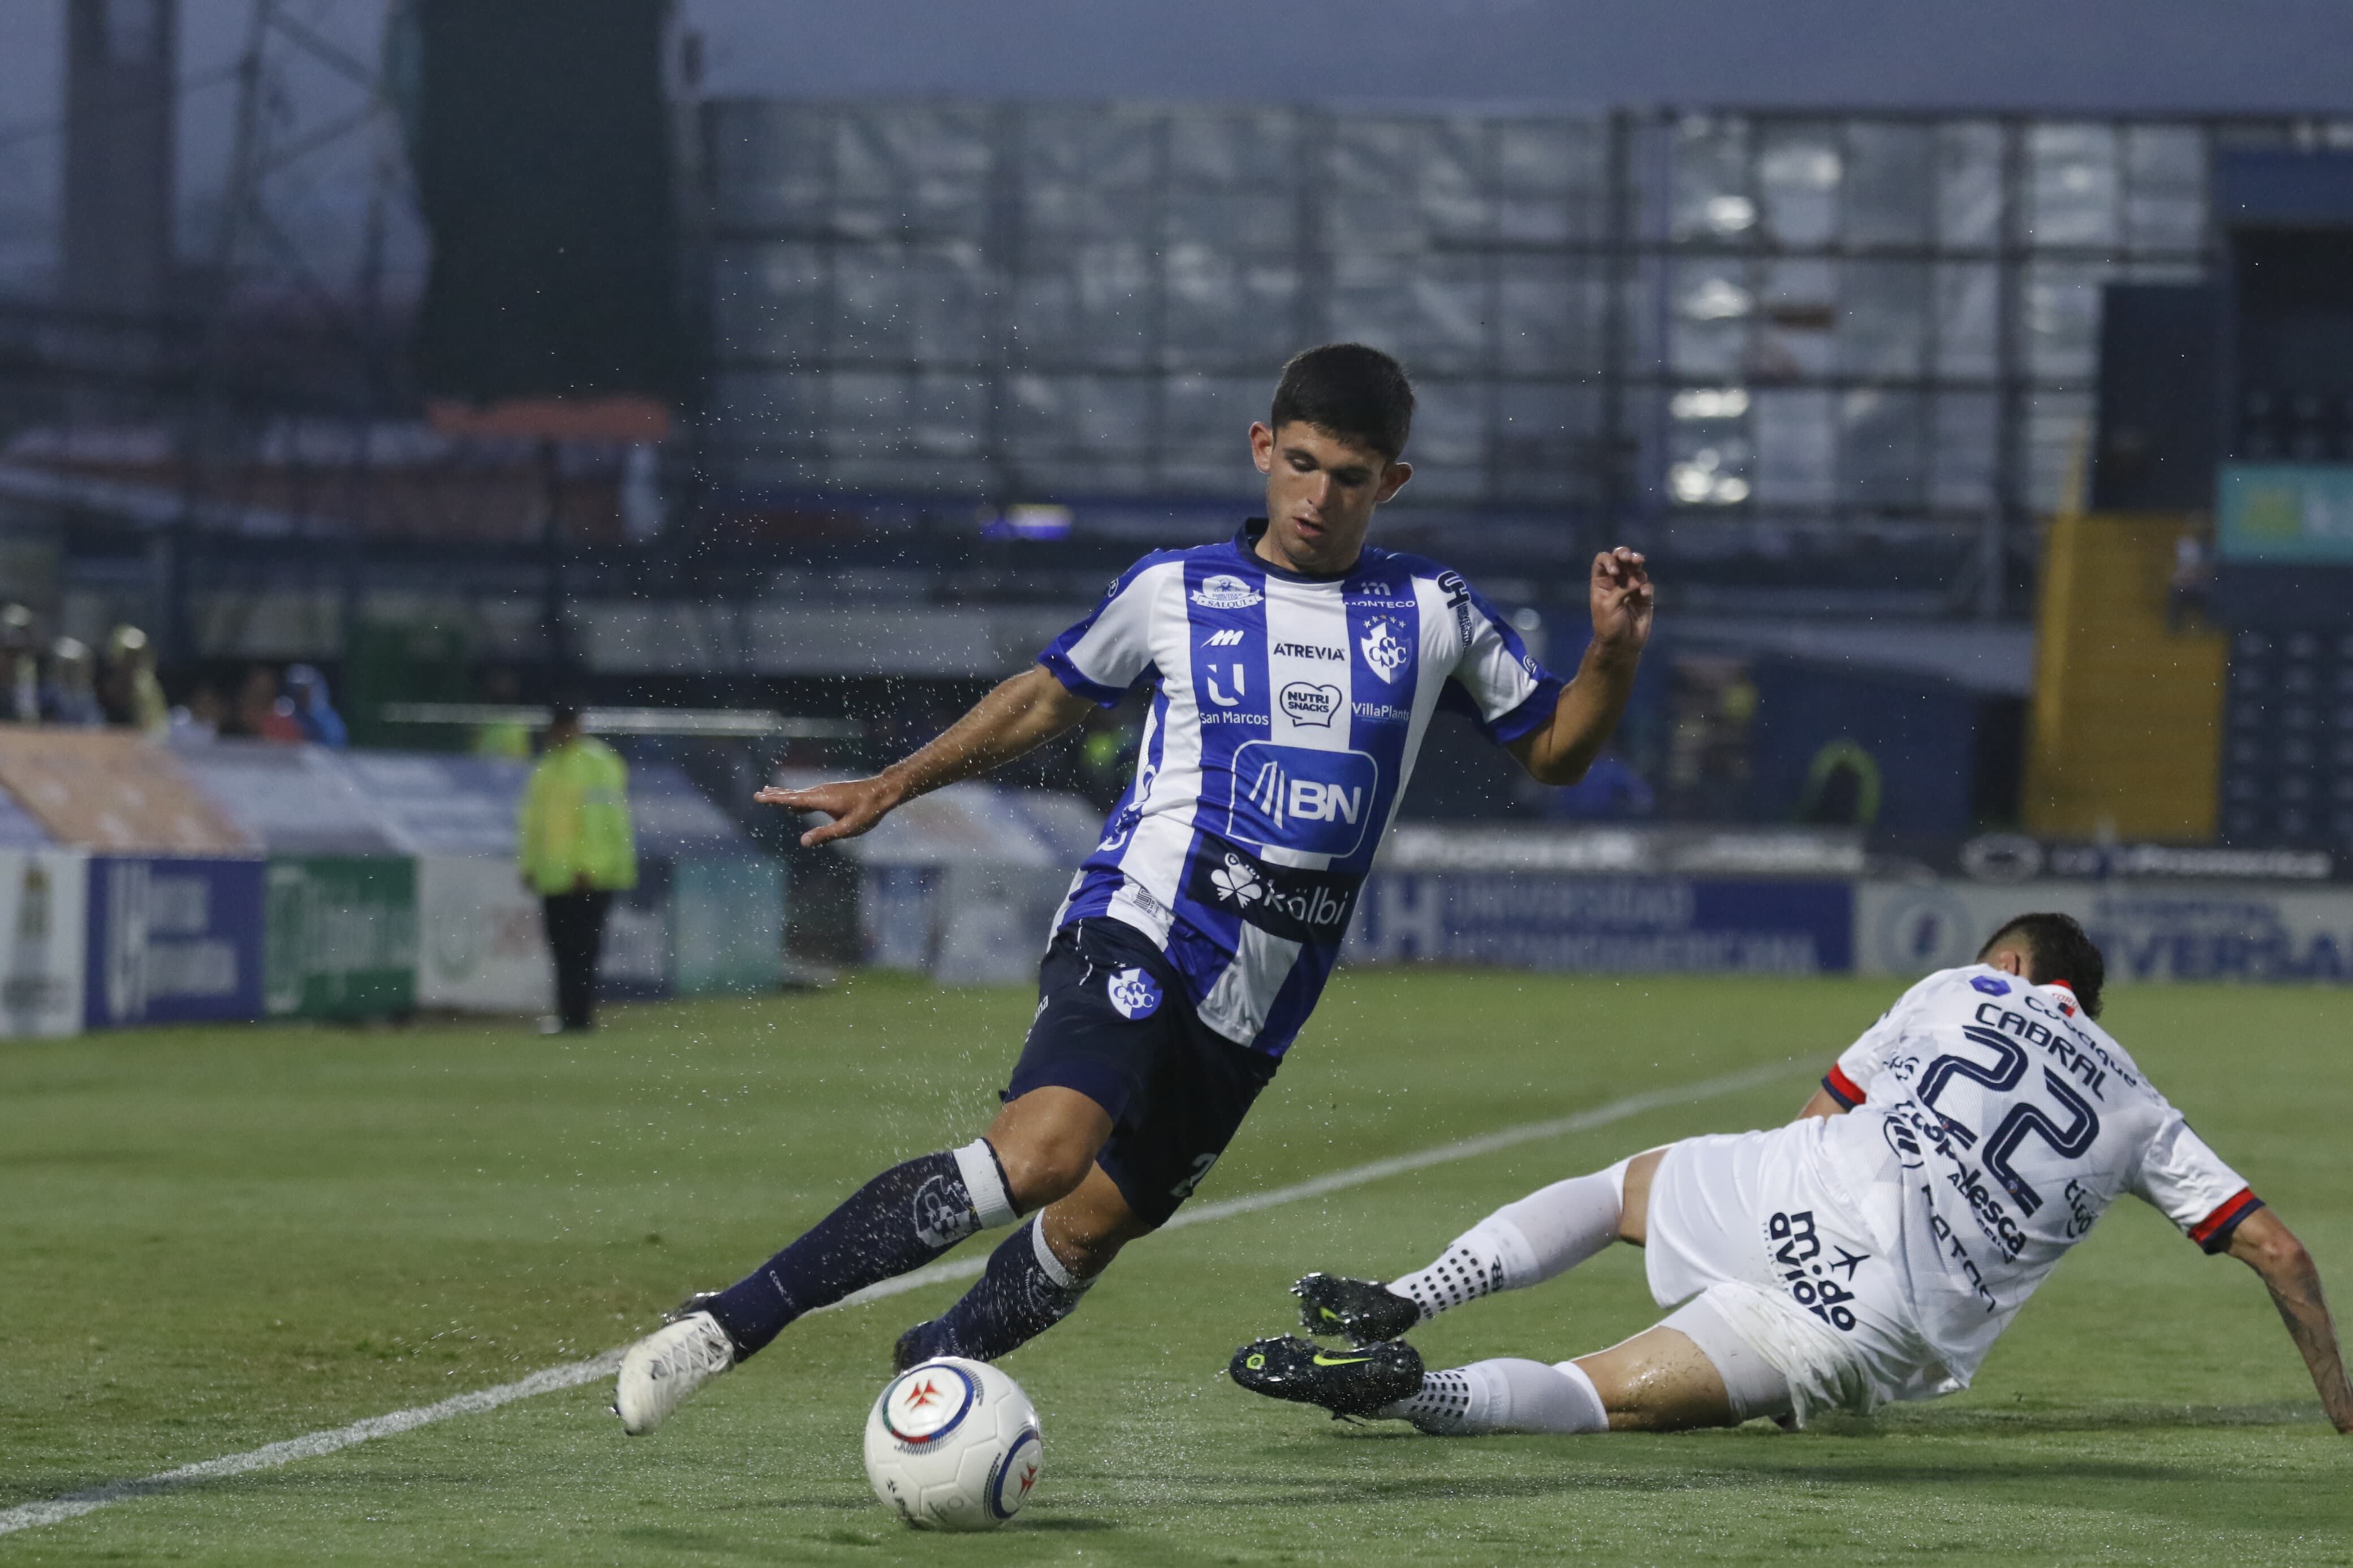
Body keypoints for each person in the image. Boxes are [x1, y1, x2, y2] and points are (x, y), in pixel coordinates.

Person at [612, 343, 1657, 1436]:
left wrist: (1614, 656)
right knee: (1043, 1155)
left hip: (1264, 996)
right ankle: (727, 1322)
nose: (1318, 496)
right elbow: (1046, 698)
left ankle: (934, 1365)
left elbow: (1556, 751)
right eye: (1300, 463)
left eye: (1349, 478)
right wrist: (898, 781)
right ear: (1264, 448)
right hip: (1146, 918)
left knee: (1089, 1229)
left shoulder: (1432, 610)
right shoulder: (1178, 589)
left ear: (1389, 484)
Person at [1229, 913, 2352, 1437]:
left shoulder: (1962, 988)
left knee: (1623, 1184)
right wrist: (2341, 1409)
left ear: (2011, 967)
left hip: (1796, 1196)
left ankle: (1406, 1297)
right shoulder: (2138, 1108)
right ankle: (1412, 1391)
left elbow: (1822, 1113)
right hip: (1875, 1327)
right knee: (1601, 1396)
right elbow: (2281, 1253)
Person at [517, 702, 637, 1033]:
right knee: (562, 949)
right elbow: (534, 824)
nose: (561, 733)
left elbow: (604, 821)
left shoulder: (596, 762)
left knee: (583, 949)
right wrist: (530, 866)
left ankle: (580, 1016)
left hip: (589, 878)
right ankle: (569, 1015)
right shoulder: (547, 766)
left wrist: (590, 867)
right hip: (555, 877)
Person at [282, 664, 348, 749]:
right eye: (296, 690)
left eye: (304, 690)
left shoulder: (327, 718)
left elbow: (337, 743)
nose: (301, 695)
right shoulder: (289, 714)